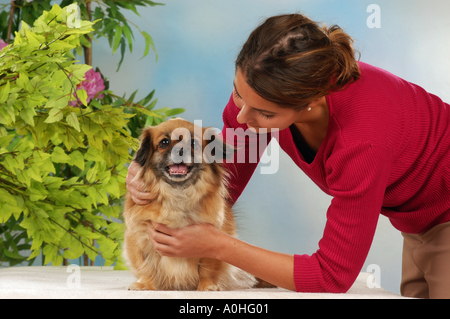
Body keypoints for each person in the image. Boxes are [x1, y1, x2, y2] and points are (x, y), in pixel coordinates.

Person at [126, 13, 450, 298]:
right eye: (238, 94)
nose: (240, 119)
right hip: (416, 220)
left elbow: (331, 276)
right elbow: (225, 181)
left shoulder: (362, 140)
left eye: (264, 113)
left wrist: (217, 245)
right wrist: (155, 179)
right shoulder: (261, 91)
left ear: (311, 101)